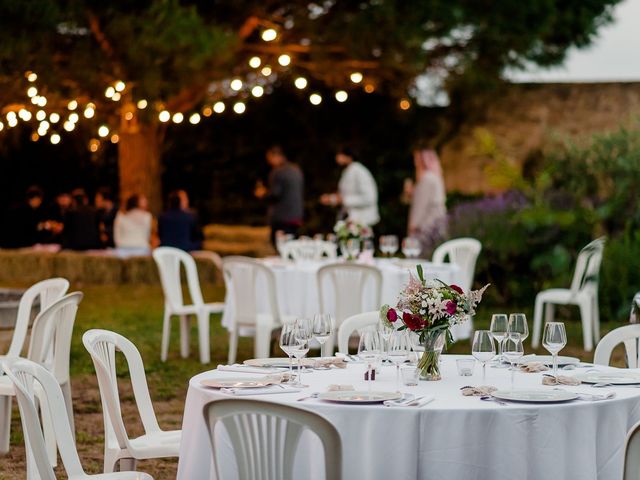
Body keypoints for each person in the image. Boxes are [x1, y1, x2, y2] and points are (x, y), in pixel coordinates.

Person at [254, 145, 304, 245]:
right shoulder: (296, 169)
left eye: (269, 158)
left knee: (279, 245)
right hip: (297, 215)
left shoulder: (278, 172)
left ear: (276, 156)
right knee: (291, 246)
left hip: (281, 218)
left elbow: (275, 194)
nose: (269, 162)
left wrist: (262, 194)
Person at [320, 146, 379, 226]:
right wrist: (332, 199)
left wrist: (343, 200)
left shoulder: (359, 171)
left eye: (340, 154)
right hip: (351, 220)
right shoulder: (347, 171)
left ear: (349, 156)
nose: (337, 157)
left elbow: (369, 197)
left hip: (363, 221)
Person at [406, 148, 447, 253]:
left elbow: (420, 206)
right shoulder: (435, 177)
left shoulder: (427, 179)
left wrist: (412, 227)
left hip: (425, 229)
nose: (415, 163)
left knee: (419, 262)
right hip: (435, 226)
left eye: (417, 159)